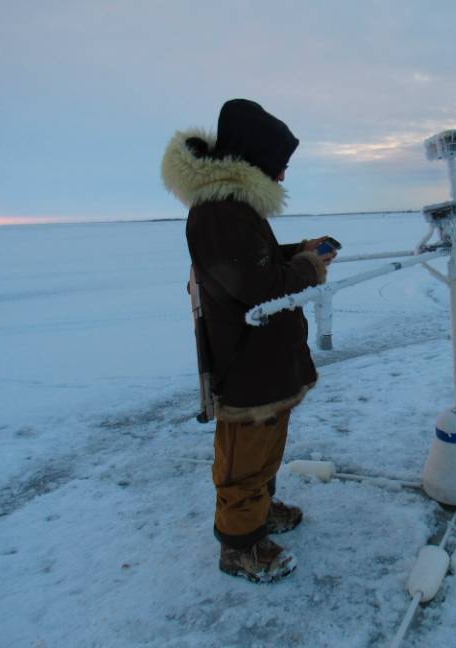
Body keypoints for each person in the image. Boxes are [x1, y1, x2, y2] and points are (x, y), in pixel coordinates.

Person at [161, 99, 336, 583]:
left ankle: (258, 510)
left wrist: (296, 253)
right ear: (256, 159)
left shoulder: (234, 207)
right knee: (244, 455)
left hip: (266, 356)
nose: (282, 177)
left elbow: (251, 263)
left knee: (268, 441)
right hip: (246, 360)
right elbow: (254, 286)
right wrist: (307, 268)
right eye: (279, 165)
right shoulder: (218, 211)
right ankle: (240, 546)